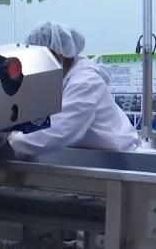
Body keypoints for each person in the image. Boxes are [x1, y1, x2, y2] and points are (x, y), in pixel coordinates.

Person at [8, 22, 139, 158]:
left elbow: (60, 130)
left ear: (58, 55)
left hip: (118, 160)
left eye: (40, 59)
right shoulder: (63, 81)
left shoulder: (85, 82)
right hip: (93, 157)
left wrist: (13, 139)